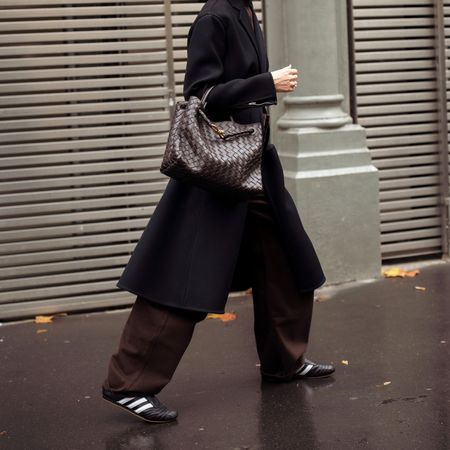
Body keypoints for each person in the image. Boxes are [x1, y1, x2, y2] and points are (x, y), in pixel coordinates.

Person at [101, 0, 335, 424]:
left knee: (287, 258)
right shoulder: (216, 17)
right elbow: (201, 97)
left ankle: (285, 360)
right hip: (219, 172)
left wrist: (262, 87)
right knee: (184, 276)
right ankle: (129, 384)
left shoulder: (245, 12)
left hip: (254, 163)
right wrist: (266, 82)